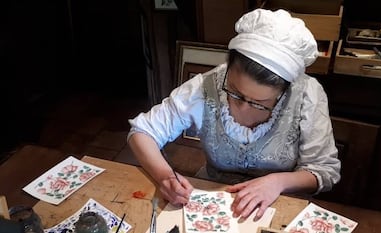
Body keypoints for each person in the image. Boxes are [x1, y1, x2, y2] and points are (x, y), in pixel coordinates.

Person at [127, 8, 341, 221]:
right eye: (235, 93)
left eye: (260, 103)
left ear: (285, 90)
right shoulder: (206, 86)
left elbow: (323, 170)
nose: (245, 108)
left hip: (281, 202)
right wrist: (165, 177)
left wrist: (278, 182)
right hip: (214, 193)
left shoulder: (306, 94)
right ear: (228, 68)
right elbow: (143, 132)